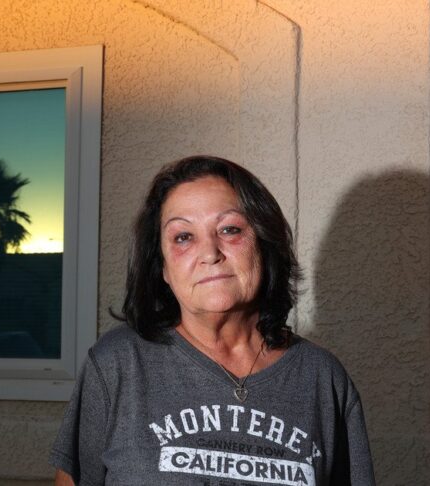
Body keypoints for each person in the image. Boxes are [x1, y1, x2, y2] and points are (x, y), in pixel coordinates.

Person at [50, 155, 375, 485]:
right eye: (183, 237)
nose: (210, 253)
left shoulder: (322, 378)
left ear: (264, 244)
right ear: (162, 267)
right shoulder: (116, 365)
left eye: (229, 230)